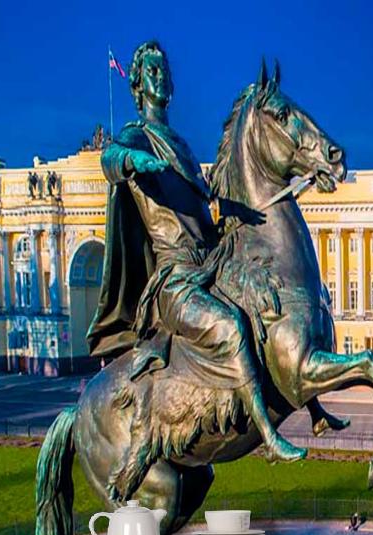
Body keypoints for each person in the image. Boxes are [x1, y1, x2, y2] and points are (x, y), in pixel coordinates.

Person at [87, 41, 305, 499]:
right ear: (137, 85)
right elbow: (110, 160)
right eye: (152, 71)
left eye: (165, 69)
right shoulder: (136, 137)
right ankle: (268, 435)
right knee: (229, 326)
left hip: (207, 266)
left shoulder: (182, 147)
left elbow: (205, 216)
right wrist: (130, 160)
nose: (161, 77)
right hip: (175, 280)